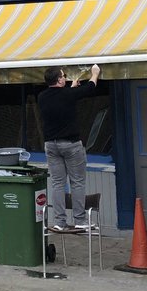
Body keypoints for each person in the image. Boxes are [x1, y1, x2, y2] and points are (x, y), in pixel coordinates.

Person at [38, 63, 100, 233]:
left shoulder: (42, 97)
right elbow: (90, 88)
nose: (65, 77)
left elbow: (61, 97)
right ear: (59, 79)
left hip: (51, 145)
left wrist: (70, 88)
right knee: (77, 182)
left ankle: (59, 222)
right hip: (71, 144)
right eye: (64, 76)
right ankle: (79, 220)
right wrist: (95, 73)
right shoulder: (67, 94)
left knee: (58, 183)